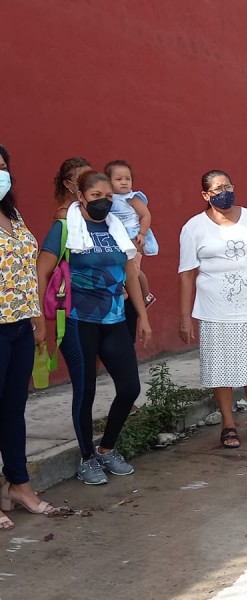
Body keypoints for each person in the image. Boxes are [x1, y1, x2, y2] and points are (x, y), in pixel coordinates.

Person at [36, 171, 151, 485]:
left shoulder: (116, 230)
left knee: (130, 387)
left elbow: (130, 274)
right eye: (97, 195)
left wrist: (142, 315)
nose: (104, 202)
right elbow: (41, 272)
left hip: (114, 319)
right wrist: (39, 321)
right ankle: (87, 458)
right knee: (84, 391)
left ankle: (106, 448)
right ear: (81, 197)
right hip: (77, 321)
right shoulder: (64, 229)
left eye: (109, 197)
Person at [178, 170, 247, 449]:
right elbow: (187, 274)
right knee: (221, 368)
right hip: (215, 310)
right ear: (205, 195)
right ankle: (228, 424)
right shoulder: (194, 227)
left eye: (228, 185)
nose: (225, 191)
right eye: (217, 188)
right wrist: (185, 317)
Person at [0, 145, 55, 528]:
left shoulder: (12, 214)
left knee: (13, 410)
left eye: (3, 166)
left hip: (19, 326)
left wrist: (36, 316)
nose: (1, 173)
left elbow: (25, 270)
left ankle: (17, 484)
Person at [105, 160, 158, 307]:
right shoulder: (107, 198)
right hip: (115, 237)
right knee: (117, 266)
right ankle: (122, 290)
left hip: (132, 237)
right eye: (118, 179)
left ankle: (146, 295)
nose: (124, 182)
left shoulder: (132, 198)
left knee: (133, 269)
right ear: (108, 181)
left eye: (127, 179)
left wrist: (142, 233)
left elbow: (146, 215)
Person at [52, 157, 92, 221]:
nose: (88, 183)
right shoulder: (64, 215)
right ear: (67, 183)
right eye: (81, 179)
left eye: (90, 177)